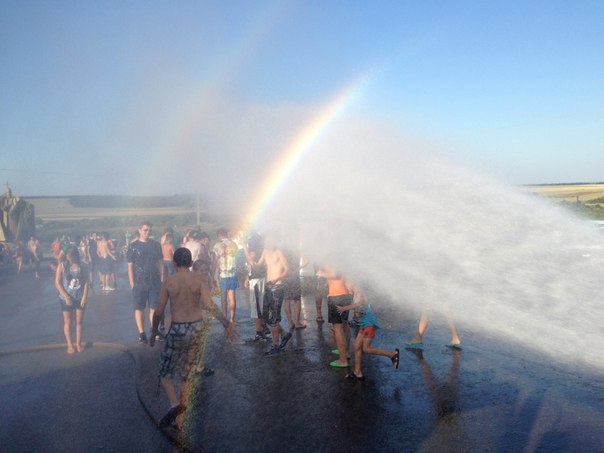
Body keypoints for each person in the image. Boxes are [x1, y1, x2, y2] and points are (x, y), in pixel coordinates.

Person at [149, 247, 238, 429]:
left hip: (178, 329)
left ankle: (174, 403)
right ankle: (180, 420)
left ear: (174, 263)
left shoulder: (169, 281)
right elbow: (209, 304)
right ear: (190, 263)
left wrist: (153, 332)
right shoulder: (199, 280)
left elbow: (158, 311)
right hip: (197, 327)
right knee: (187, 373)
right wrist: (226, 323)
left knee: (165, 371)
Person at [336, 287, 399, 380]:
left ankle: (392, 354)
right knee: (356, 346)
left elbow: (358, 303)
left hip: (369, 325)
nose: (347, 285)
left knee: (366, 348)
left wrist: (344, 308)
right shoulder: (355, 293)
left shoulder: (359, 292)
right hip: (363, 325)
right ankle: (357, 372)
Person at [127, 221, 164, 344]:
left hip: (154, 281)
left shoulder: (156, 245)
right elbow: (130, 265)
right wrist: (132, 283)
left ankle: (154, 330)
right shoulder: (133, 246)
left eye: (149, 230)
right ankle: (142, 333)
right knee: (139, 308)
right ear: (140, 230)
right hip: (139, 281)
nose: (147, 232)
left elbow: (160, 262)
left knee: (154, 307)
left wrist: (162, 278)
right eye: (145, 230)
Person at [258, 239, 292, 355]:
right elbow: (258, 265)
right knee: (265, 315)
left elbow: (287, 269)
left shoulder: (279, 252)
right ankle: (284, 334)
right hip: (268, 286)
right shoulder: (265, 251)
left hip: (277, 287)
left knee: (274, 318)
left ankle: (276, 346)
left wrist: (276, 279)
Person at [316, 264, 352, 368]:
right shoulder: (340, 258)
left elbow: (336, 274)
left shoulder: (331, 258)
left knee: (338, 328)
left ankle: (343, 360)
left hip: (337, 297)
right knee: (344, 325)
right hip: (345, 295)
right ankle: (345, 352)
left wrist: (322, 274)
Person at [55, 246, 89, 354]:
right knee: (68, 322)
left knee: (79, 322)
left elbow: (86, 282)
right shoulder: (62, 266)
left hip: (79, 297)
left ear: (76, 255)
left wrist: (84, 297)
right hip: (66, 298)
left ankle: (78, 343)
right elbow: (57, 283)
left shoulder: (82, 265)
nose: (70, 259)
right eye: (68, 257)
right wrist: (66, 296)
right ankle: (70, 345)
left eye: (72, 257)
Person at [242, 232, 269, 342]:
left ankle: (259, 333)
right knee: (260, 305)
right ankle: (264, 328)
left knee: (257, 307)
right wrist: (248, 278)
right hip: (260, 279)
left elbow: (252, 263)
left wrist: (244, 246)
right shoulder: (262, 250)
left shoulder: (254, 251)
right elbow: (252, 267)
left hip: (257, 281)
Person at [212, 228, 239, 324]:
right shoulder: (234, 244)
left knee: (223, 297)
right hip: (232, 273)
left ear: (219, 235)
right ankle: (232, 319)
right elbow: (237, 259)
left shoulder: (217, 246)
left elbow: (215, 262)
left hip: (223, 275)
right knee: (232, 297)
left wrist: (212, 276)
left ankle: (224, 318)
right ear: (226, 234)